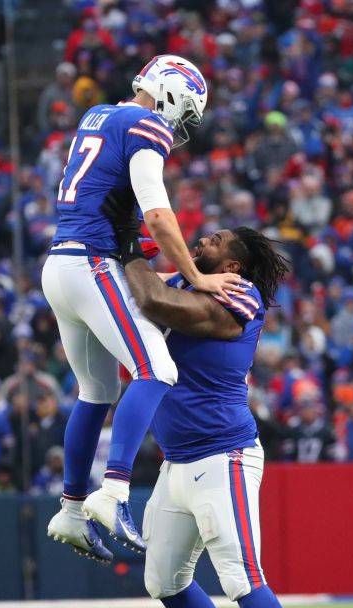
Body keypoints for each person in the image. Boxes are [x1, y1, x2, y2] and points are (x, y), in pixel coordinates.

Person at [41, 54, 245, 558]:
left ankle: (69, 511)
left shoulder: (99, 116)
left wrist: (168, 270)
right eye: (188, 112)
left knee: (96, 390)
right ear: (173, 92)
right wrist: (196, 275)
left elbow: (118, 214)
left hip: (60, 266)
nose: (182, 126)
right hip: (91, 265)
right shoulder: (146, 123)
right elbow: (156, 213)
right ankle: (112, 492)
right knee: (156, 368)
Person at [115, 226, 314, 608]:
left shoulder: (239, 294)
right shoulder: (188, 283)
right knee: (163, 581)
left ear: (232, 267)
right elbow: (134, 297)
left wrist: (128, 248)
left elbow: (154, 303)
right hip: (176, 460)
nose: (201, 240)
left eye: (216, 240)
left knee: (243, 576)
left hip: (224, 454)